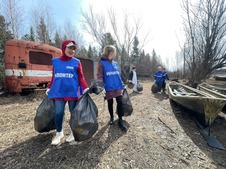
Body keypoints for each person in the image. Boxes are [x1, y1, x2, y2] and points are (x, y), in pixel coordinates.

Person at [46, 40, 89, 145]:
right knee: (58, 112)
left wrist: (85, 87)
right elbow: (54, 76)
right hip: (58, 91)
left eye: (74, 48)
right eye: (70, 48)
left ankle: (73, 133)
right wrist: (49, 87)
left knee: (73, 113)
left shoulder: (76, 62)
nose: (72, 50)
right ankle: (59, 133)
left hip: (72, 91)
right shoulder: (55, 61)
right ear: (64, 48)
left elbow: (80, 77)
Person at [97, 45, 127, 132]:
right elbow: (99, 76)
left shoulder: (115, 63)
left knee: (120, 102)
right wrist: (101, 87)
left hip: (117, 86)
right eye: (114, 52)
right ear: (109, 53)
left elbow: (117, 75)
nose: (115, 54)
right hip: (108, 88)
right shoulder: (102, 63)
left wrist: (121, 83)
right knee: (110, 103)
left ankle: (120, 119)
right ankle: (111, 117)